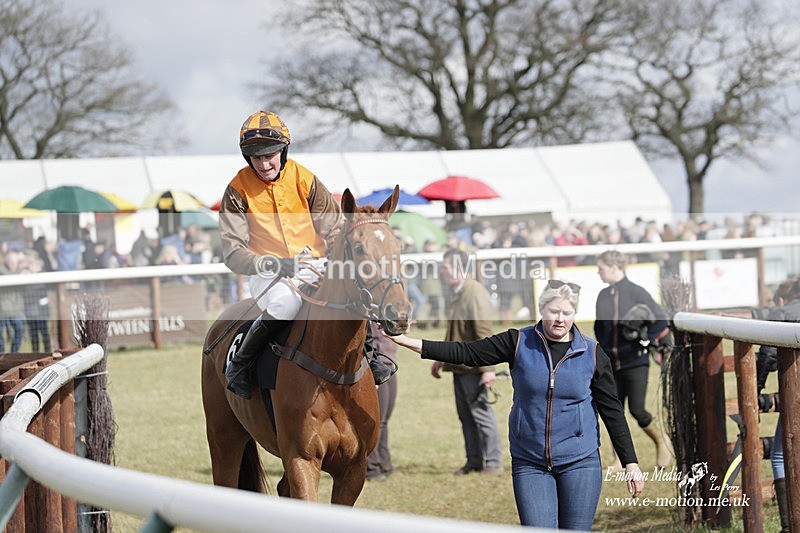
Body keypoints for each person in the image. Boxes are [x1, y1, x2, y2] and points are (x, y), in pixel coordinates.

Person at [386, 279, 645, 529]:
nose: (560, 319)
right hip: (530, 462)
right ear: (541, 309)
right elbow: (467, 352)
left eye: (567, 312)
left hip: (580, 461)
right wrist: (408, 341)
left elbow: (613, 412)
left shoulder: (592, 352)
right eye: (554, 311)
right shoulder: (518, 341)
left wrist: (630, 462)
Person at [219, 110, 391, 398]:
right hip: (268, 272)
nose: (263, 163)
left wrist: (335, 265)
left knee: (350, 289)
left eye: (269, 155)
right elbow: (232, 252)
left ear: (283, 151)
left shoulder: (305, 179)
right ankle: (240, 364)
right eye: (256, 157)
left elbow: (336, 228)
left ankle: (371, 357)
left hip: (315, 263)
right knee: (285, 305)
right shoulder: (237, 190)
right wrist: (273, 263)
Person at [594, 250, 672, 468]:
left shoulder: (637, 293)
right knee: (613, 412)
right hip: (611, 365)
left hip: (635, 363)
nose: (598, 272)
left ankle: (663, 443)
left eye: (601, 269)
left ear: (614, 267)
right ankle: (619, 459)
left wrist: (644, 337)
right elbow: (599, 328)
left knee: (637, 410)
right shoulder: (602, 296)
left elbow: (660, 321)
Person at [435, 249, 504, 476]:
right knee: (466, 417)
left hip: (474, 367)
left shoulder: (475, 293)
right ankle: (474, 461)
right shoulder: (459, 291)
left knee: (481, 415)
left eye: (446, 266)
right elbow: (454, 331)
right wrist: (440, 359)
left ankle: (493, 462)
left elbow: (483, 332)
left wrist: (488, 370)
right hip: (460, 366)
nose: (443, 271)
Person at [756, 276, 799, 533]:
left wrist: (756, 389)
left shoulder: (781, 313)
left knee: (780, 454)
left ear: (782, 298)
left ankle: (788, 525)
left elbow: (768, 356)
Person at [365, 322, 398, 482]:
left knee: (385, 418)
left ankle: (385, 463)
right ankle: (371, 468)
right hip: (376, 363)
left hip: (389, 361)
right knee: (376, 420)